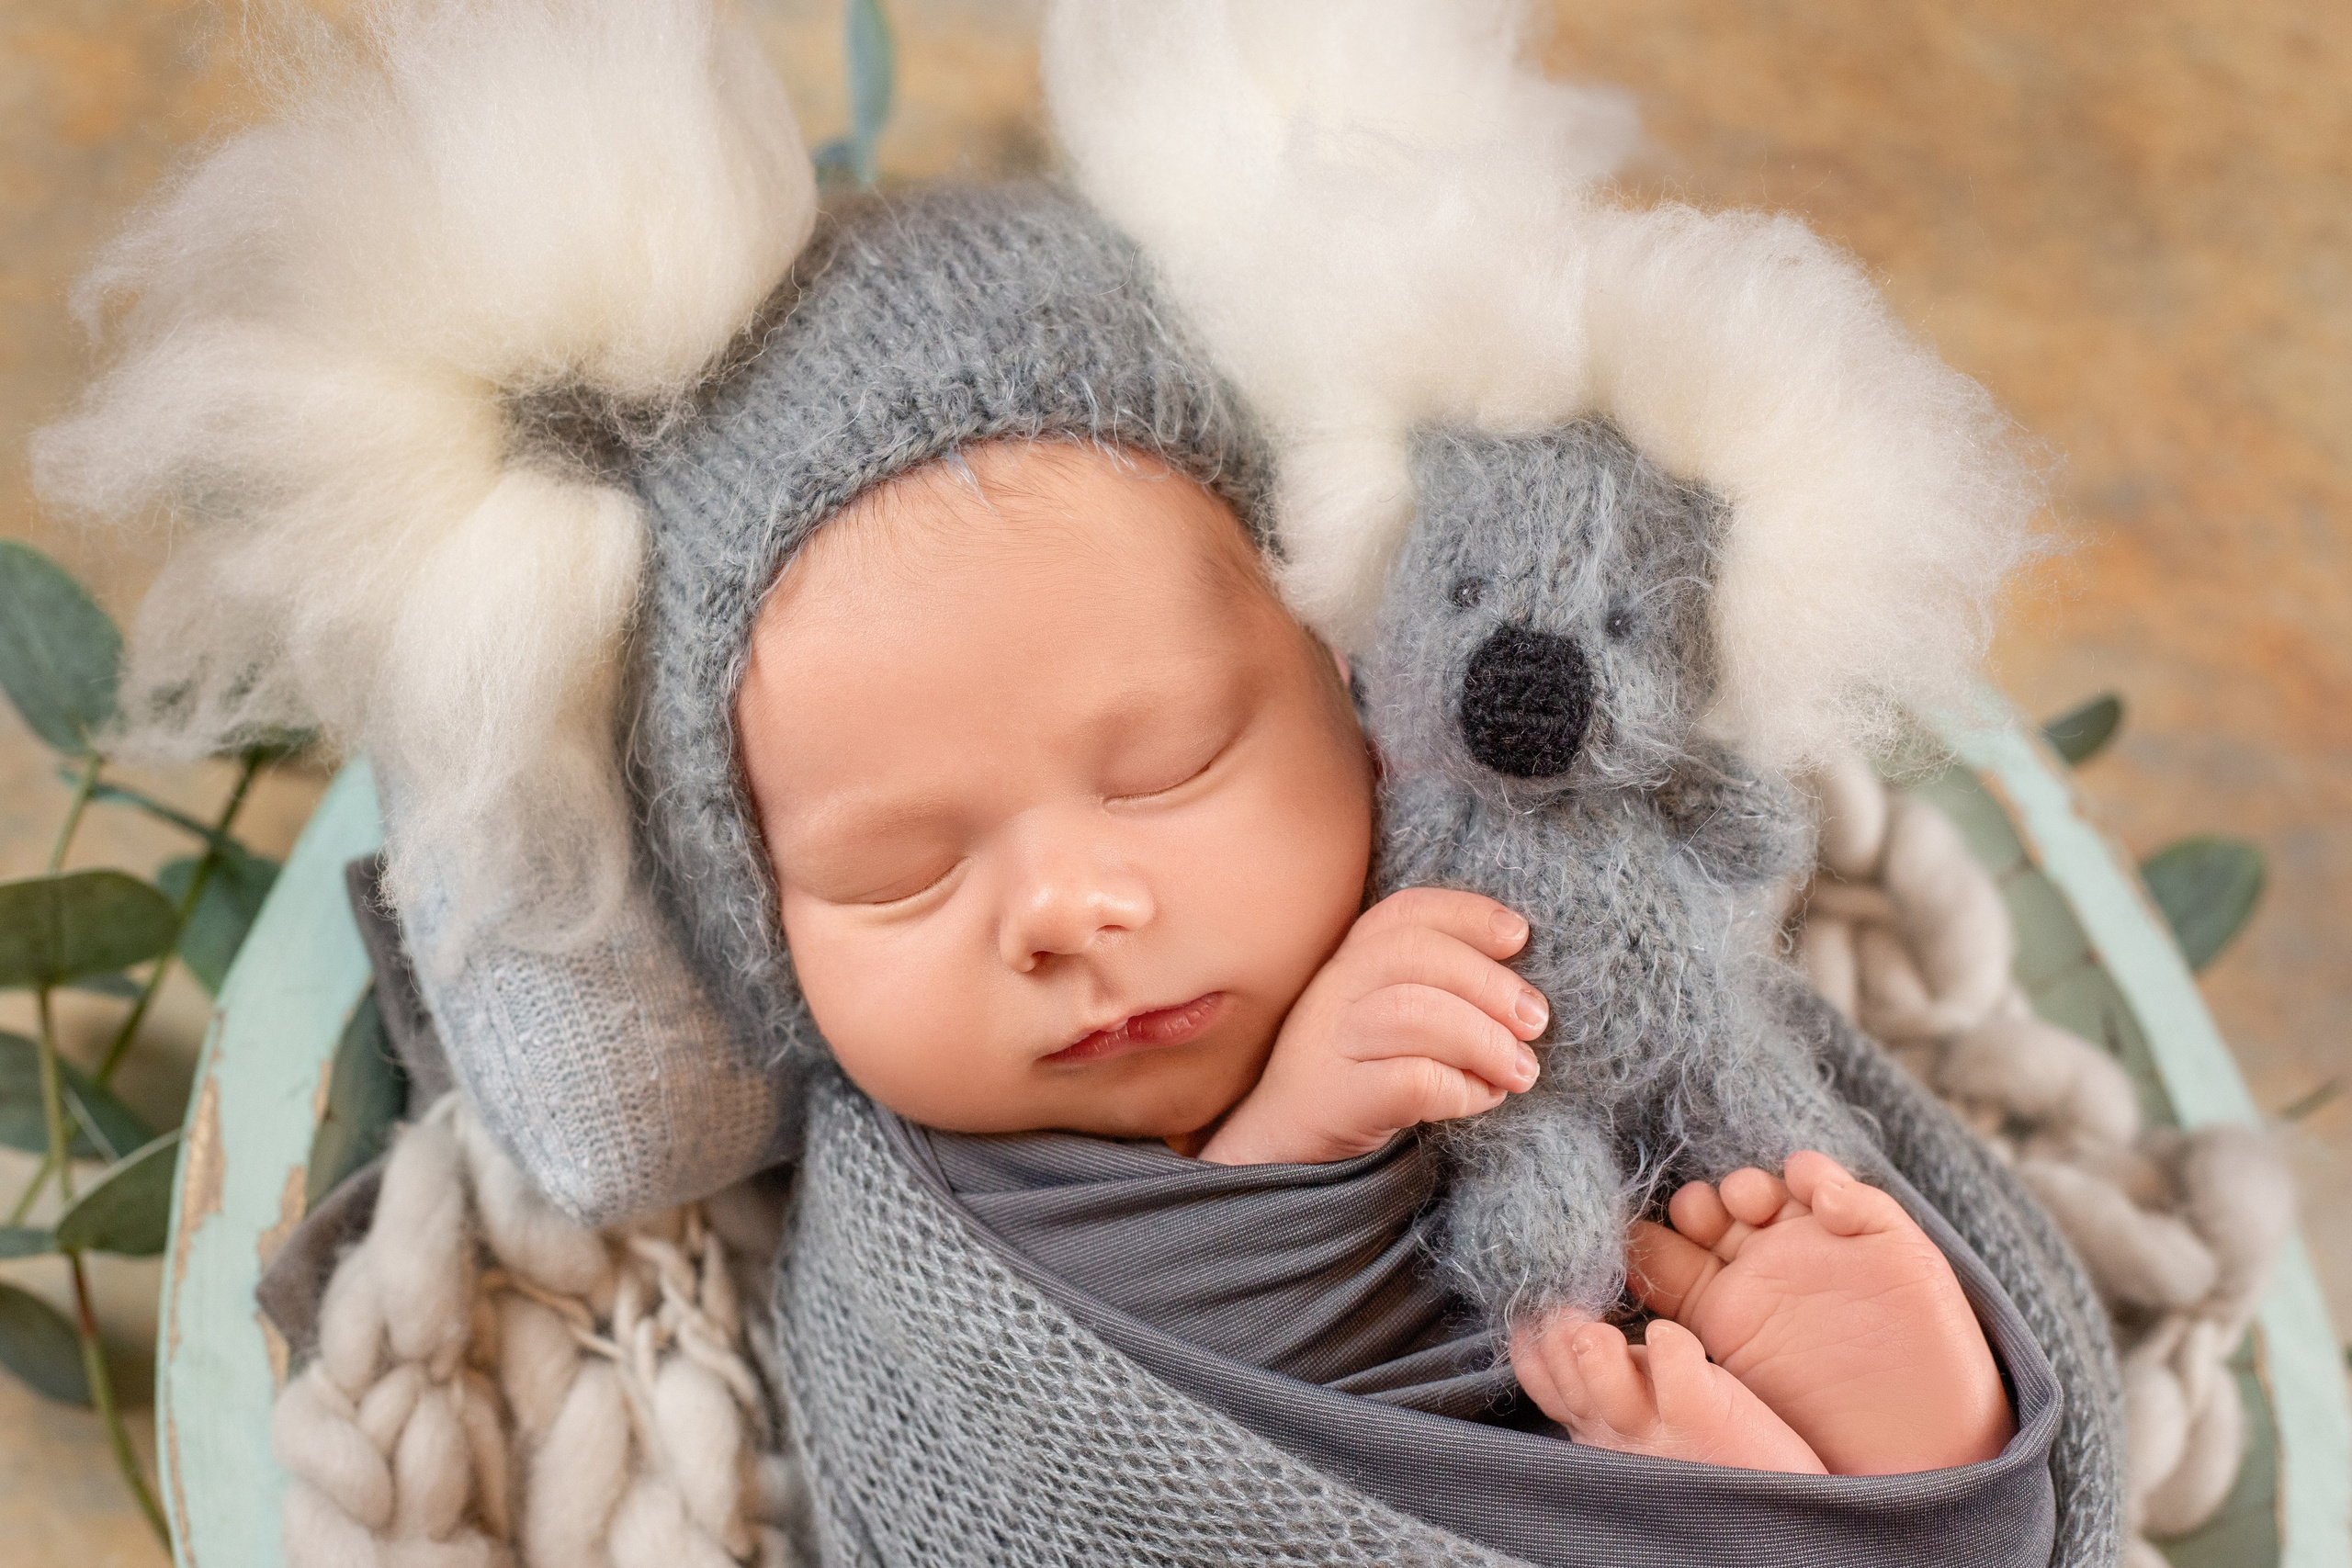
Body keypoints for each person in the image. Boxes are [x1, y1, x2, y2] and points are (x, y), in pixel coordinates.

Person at [733, 434, 2015, 1478]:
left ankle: (1925, 1469)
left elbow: (1702, 1005)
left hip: (1624, 1428)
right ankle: (1796, 1518)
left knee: (1759, 1202)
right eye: (900, 870)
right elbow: (1108, 1445)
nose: (1066, 908)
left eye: (1164, 768)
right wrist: (1292, 1147)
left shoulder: (1511, 889)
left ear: (1364, 705)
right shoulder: (936, 1211)